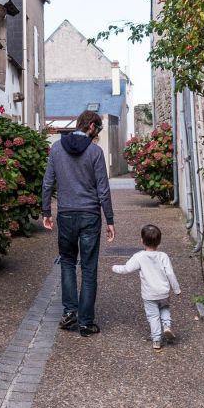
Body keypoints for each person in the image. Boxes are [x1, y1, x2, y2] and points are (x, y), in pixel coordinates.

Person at [42, 110, 115, 337]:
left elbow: (47, 183)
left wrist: (46, 211)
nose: (97, 132)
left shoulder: (56, 148)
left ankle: (70, 312)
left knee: (67, 263)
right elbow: (103, 189)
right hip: (90, 215)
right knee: (89, 268)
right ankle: (86, 322)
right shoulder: (95, 152)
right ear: (91, 126)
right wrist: (110, 219)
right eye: (98, 128)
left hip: (65, 214)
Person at [111, 223, 181, 351]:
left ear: (142, 241)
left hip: (149, 294)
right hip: (163, 292)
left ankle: (156, 340)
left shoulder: (139, 257)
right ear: (159, 242)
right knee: (165, 308)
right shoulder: (163, 256)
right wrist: (176, 289)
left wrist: (114, 267)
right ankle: (166, 326)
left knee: (153, 316)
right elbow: (170, 273)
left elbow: (127, 269)